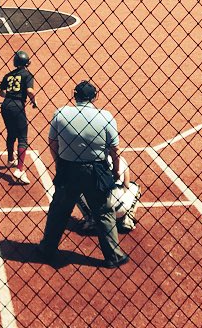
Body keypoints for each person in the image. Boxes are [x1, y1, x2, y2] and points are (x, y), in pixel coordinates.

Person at [37, 81, 129, 268]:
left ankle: (47, 250)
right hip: (96, 171)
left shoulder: (61, 113)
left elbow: (52, 142)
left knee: (58, 211)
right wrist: (115, 170)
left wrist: (59, 163)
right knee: (104, 212)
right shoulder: (105, 116)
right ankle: (114, 256)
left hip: (68, 169)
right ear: (94, 97)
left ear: (75, 95)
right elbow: (115, 150)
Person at [0, 50, 38, 185]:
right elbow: (30, 91)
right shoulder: (27, 75)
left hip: (6, 106)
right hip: (17, 107)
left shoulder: (8, 75)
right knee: (22, 137)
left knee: (11, 132)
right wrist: (34, 101)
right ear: (27, 63)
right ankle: (19, 170)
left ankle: (10, 159)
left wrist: (9, 96)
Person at [77, 154, 141, 232]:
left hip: (97, 208)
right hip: (120, 208)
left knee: (77, 189)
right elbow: (126, 186)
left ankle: (91, 220)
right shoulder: (121, 160)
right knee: (136, 186)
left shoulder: (89, 160)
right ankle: (127, 219)